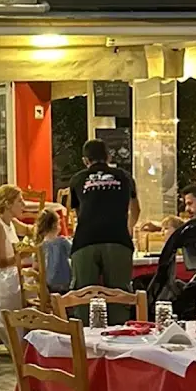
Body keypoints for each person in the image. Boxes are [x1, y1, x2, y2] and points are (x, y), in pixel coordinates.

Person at [69, 139, 141, 325]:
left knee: (83, 295)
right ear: (108, 156)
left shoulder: (77, 179)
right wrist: (129, 230)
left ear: (85, 160)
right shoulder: (124, 176)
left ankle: (84, 340)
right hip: (118, 240)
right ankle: (119, 336)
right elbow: (136, 209)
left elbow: (78, 213)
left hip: (85, 240)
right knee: (120, 295)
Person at [0, 185, 31, 342]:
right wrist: (23, 255)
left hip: (11, 270)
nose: (24, 205)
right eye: (20, 201)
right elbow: (1, 263)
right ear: (9, 204)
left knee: (36, 275)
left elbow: (31, 231)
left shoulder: (11, 222)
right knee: (34, 282)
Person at [34, 207, 72, 293]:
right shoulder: (62, 242)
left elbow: (35, 267)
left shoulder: (40, 244)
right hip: (64, 285)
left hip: (48, 286)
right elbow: (74, 253)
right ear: (55, 225)